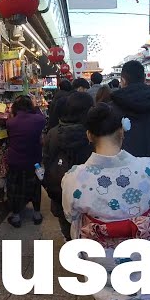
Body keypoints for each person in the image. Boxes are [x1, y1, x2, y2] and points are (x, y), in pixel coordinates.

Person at [61, 103, 150, 300]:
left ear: (89, 135)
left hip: (101, 256)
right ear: (122, 131)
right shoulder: (149, 168)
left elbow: (70, 215)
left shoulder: (74, 177)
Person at [42, 92, 94, 241]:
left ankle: (69, 240)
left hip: (60, 189)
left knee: (66, 222)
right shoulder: (92, 134)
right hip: (88, 191)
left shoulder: (53, 133)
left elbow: (47, 160)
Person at [4, 95, 46, 228]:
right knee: (35, 186)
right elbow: (40, 115)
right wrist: (35, 106)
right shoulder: (39, 119)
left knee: (14, 187)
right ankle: (37, 214)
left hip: (15, 160)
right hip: (34, 160)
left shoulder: (11, 122)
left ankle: (16, 216)